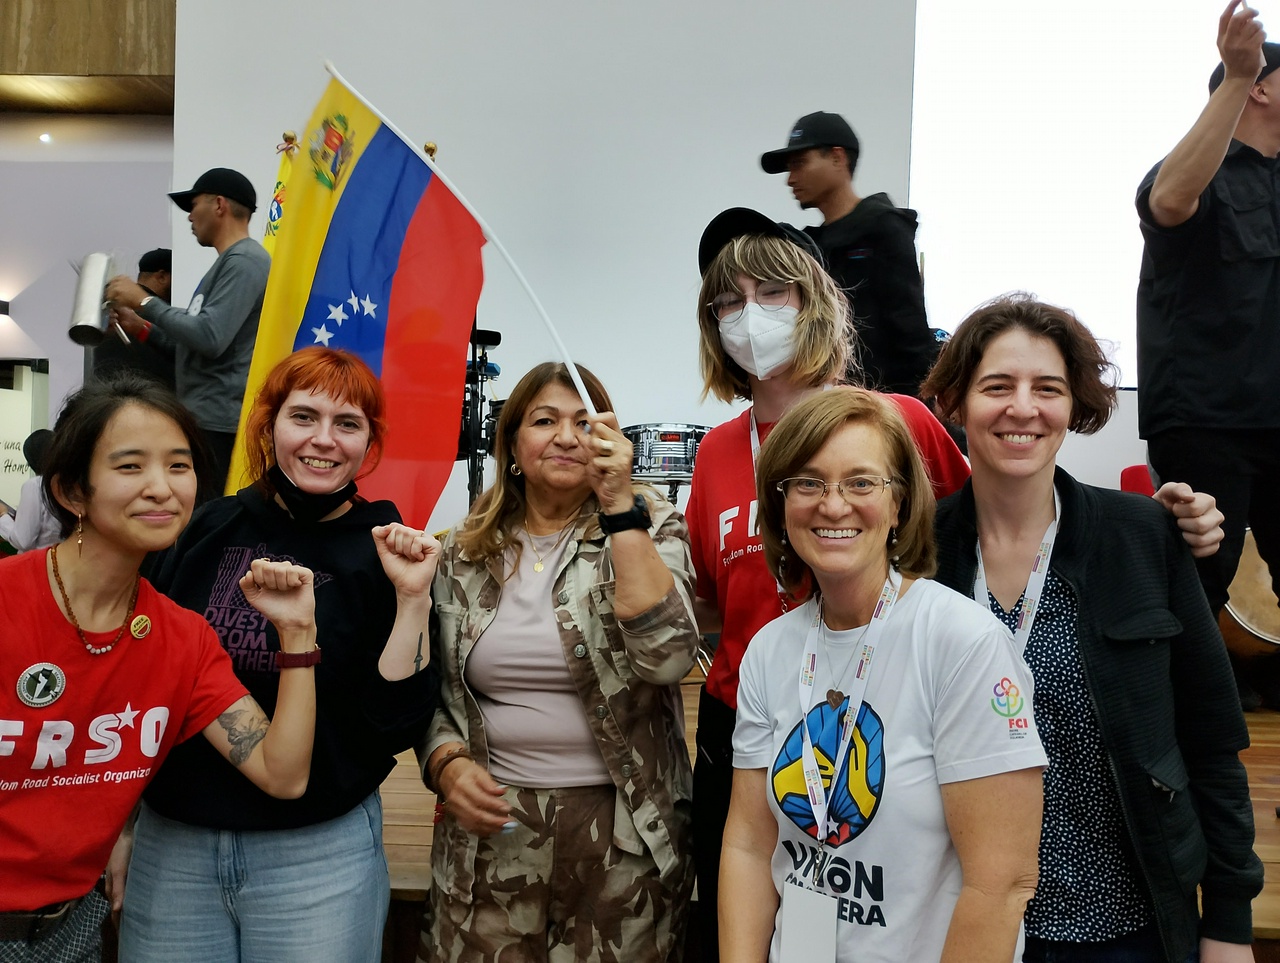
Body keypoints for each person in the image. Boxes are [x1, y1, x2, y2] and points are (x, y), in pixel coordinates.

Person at [924, 294, 1262, 962]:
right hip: (965, 926)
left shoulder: (1142, 539)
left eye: (1046, 388)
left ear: (1072, 405)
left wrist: (1229, 921)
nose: (1023, 407)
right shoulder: (921, 554)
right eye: (998, 386)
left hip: (1121, 928)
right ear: (957, 403)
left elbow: (1212, 740)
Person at [686, 205, 973, 957]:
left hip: (885, 717)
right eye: (728, 300)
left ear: (814, 301)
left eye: (771, 293)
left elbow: (972, 545)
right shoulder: (717, 453)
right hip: (746, 723)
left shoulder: (898, 420)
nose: (749, 315)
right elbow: (717, 600)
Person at [117, 347, 441, 963]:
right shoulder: (201, 530)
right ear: (269, 426)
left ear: (369, 441)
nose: (324, 440)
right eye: (304, 416)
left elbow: (395, 722)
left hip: (318, 854)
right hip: (178, 844)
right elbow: (142, 685)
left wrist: (413, 600)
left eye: (347, 424)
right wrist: (125, 827)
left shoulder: (388, 546)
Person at [721, 387, 1047, 962]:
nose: (833, 503)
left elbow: (1001, 885)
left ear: (898, 505)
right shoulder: (770, 651)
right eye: (808, 482)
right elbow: (749, 845)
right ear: (780, 504)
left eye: (861, 482)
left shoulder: (961, 644)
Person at [0, 373, 318, 963]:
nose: (161, 488)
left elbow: (282, 772)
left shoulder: (182, 637)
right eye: (129, 467)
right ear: (73, 492)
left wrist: (297, 635)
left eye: (178, 466)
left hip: (70, 933)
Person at [421, 362, 698, 962]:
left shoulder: (653, 524)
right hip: (494, 831)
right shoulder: (461, 550)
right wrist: (445, 764)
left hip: (623, 834)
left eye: (585, 422)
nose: (567, 437)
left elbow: (669, 658)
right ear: (513, 445)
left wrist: (620, 506)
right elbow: (438, 694)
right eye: (545, 421)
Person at [1136, 2, 1280, 677]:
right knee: (1196, 589)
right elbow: (1167, 202)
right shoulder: (1200, 172)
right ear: (1260, 88)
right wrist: (1235, 72)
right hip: (1206, 421)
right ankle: (1171, 752)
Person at [105, 168, 272, 496]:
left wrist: (144, 300)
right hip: (205, 420)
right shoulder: (229, 263)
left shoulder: (246, 261)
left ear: (219, 205)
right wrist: (141, 328)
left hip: (219, 425)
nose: (190, 217)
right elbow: (195, 343)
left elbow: (209, 337)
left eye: (194, 206)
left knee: (203, 521)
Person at [760, 112, 935, 395]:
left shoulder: (885, 228)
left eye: (800, 164)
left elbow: (910, 330)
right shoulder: (809, 247)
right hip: (824, 404)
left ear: (838, 158)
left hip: (884, 409)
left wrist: (914, 410)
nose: (791, 179)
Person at [92, 248, 176, 390]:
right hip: (152, 402)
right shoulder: (159, 316)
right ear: (162, 277)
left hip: (104, 401)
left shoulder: (108, 309)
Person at [0, 428, 61, 552]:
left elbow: (23, 541)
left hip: (39, 563)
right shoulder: (69, 483)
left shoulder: (35, 486)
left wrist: (3, 515)